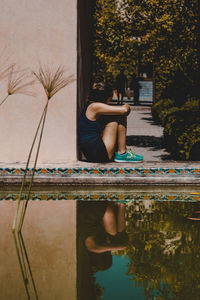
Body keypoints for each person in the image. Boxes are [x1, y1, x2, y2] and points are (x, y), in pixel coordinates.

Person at [78, 81, 143, 163]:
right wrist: (127, 105)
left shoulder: (90, 105)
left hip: (91, 152)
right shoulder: (95, 106)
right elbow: (124, 110)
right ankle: (122, 152)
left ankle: (120, 152)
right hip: (97, 152)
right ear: (107, 97)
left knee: (113, 116)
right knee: (118, 116)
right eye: (110, 98)